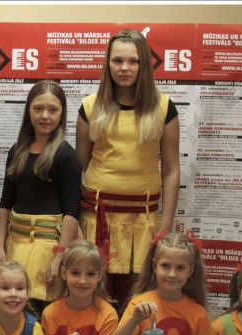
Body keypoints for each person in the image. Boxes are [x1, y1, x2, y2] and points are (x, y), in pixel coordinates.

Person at [76, 28, 181, 313]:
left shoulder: (163, 107)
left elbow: (171, 171)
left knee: (135, 303)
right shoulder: (90, 106)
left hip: (143, 223)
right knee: (93, 300)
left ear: (144, 64)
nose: (125, 68)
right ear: (108, 64)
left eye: (133, 61)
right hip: (96, 219)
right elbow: (78, 168)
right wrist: (74, 223)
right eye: (118, 60)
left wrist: (165, 229)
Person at [0, 80, 82, 318]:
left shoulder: (66, 155)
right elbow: (5, 203)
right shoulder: (17, 151)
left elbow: (72, 211)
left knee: (42, 313)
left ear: (62, 114)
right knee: (13, 310)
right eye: (38, 108)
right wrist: (0, 248)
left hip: (48, 249)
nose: (45, 116)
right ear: (29, 111)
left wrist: (59, 257)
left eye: (53, 110)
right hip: (16, 245)